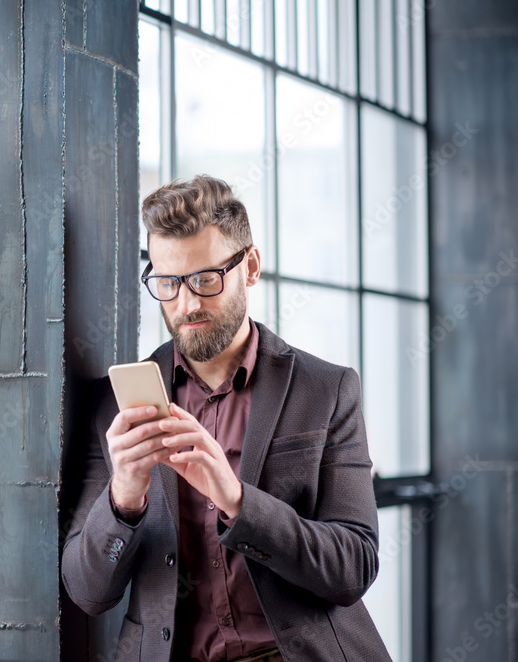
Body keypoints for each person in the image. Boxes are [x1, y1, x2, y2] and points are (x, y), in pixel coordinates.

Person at [61, 175, 392, 661]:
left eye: (206, 279)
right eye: (168, 283)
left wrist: (237, 500)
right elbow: (89, 592)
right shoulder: (114, 406)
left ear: (250, 266)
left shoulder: (326, 390)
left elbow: (353, 567)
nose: (187, 304)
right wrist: (123, 499)